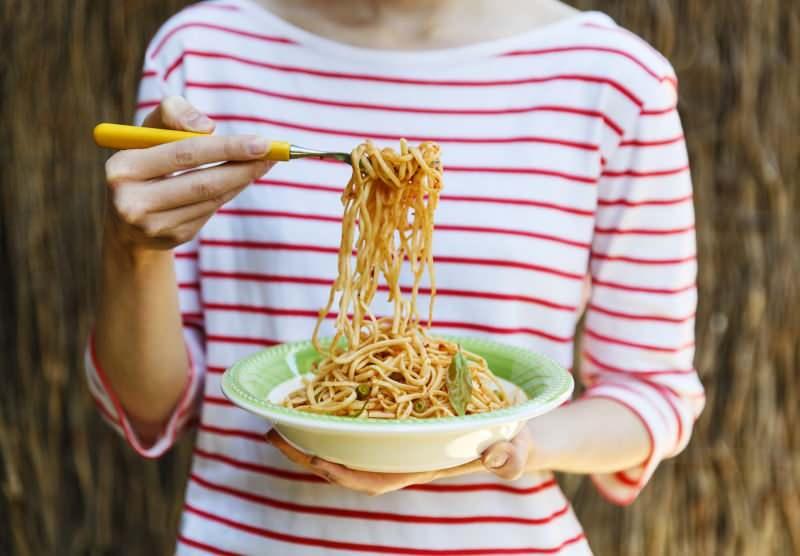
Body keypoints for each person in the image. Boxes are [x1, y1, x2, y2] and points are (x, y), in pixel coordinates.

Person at [86, 0, 705, 553]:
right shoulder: (201, 50)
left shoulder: (613, 78)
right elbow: (150, 404)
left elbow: (651, 394)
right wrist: (132, 252)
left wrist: (511, 444)